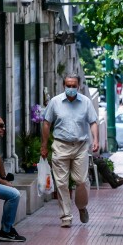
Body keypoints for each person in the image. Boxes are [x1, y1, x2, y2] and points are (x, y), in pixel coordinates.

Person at [41, 74, 99, 228]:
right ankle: (66, 216)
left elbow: (93, 122)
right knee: (61, 184)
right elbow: (46, 123)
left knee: (81, 181)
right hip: (60, 146)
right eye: (68, 85)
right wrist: (44, 145)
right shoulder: (55, 102)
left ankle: (81, 206)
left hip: (80, 146)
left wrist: (96, 140)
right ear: (63, 85)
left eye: (74, 86)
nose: (71, 88)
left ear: (78, 86)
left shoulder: (86, 102)